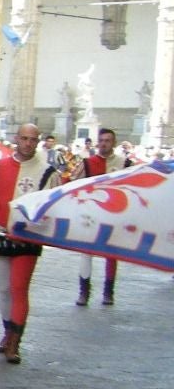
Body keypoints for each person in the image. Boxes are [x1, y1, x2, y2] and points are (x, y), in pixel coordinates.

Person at [0, 124, 59, 364]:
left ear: (38, 141)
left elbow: (53, 208)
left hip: (27, 240)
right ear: (16, 139)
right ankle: (7, 333)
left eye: (32, 139)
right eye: (24, 138)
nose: (27, 143)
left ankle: (15, 342)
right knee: (4, 289)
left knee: (18, 289)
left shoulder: (48, 173)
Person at [76, 127, 127, 306]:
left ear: (114, 143)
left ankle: (108, 292)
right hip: (91, 216)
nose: (104, 144)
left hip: (114, 216)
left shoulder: (125, 164)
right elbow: (73, 185)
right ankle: (84, 292)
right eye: (102, 140)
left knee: (112, 254)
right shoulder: (87, 163)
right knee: (86, 253)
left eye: (108, 141)